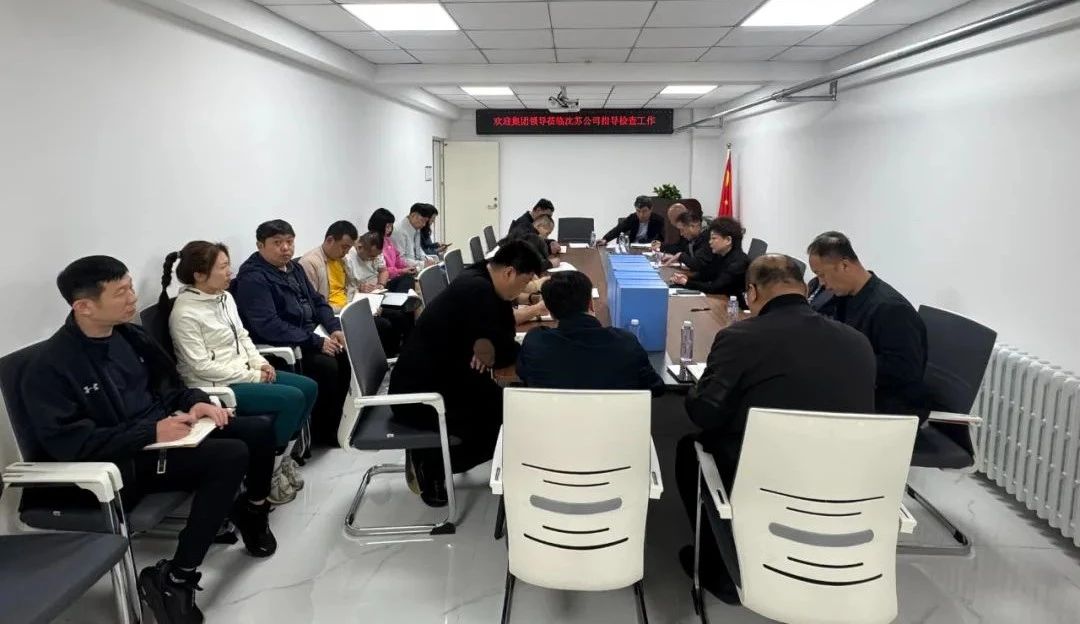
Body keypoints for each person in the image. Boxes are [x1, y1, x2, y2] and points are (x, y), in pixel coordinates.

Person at [23, 256, 278, 624]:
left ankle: (252, 511)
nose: (132, 298)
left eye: (130, 287)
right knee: (229, 455)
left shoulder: (130, 336)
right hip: (120, 461)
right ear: (84, 306)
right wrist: (152, 432)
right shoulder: (51, 366)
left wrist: (196, 402)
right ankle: (176, 577)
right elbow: (71, 444)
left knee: (258, 430)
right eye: (121, 292)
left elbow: (169, 385)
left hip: (164, 433)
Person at [675, 254, 877, 604]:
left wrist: (696, 389)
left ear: (752, 292)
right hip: (843, 477)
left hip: (763, 474)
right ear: (804, 289)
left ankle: (722, 571)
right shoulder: (857, 340)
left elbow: (705, 414)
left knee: (688, 450)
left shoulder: (739, 337)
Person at [388, 241, 545, 507]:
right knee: (504, 423)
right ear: (509, 272)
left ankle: (433, 456)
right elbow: (503, 352)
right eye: (524, 282)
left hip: (446, 377)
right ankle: (430, 465)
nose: (522, 290)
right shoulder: (477, 290)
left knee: (508, 408)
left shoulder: (482, 276)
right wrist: (491, 347)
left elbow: (501, 335)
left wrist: (488, 345)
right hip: (421, 396)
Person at [163, 241, 318, 505]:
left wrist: (260, 364)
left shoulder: (224, 297)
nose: (230, 272)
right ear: (199, 275)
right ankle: (270, 473)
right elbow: (201, 366)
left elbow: (243, 337)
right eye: (223, 267)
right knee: (291, 398)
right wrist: (252, 376)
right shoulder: (185, 314)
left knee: (308, 387)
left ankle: (282, 460)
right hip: (217, 385)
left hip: (244, 372)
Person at [233, 220, 352, 446]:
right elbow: (269, 325)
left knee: (345, 352)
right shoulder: (253, 278)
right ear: (260, 245)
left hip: (307, 333)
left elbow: (317, 301)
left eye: (289, 242)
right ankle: (321, 432)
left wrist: (334, 328)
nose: (286, 248)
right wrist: (316, 341)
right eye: (277, 243)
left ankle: (338, 422)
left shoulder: (294, 268)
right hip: (283, 344)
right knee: (326, 365)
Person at [807, 231, 929, 419]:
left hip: (888, 410)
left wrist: (844, 360)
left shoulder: (891, 309)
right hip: (859, 393)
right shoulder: (845, 297)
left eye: (822, 275)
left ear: (844, 265)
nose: (822, 284)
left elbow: (904, 370)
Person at [517, 270, 664, 395]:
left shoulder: (536, 343)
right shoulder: (626, 343)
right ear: (591, 304)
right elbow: (655, 387)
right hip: (613, 420)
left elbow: (523, 374)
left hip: (553, 419)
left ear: (550, 311)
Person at [343, 232, 410, 356]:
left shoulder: (375, 252)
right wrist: (360, 288)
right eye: (371, 256)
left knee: (407, 281)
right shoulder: (348, 258)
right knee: (394, 317)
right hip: (362, 295)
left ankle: (405, 347)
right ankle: (390, 353)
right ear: (360, 247)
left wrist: (381, 284)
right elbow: (348, 288)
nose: (374, 259)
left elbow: (383, 271)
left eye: (376, 256)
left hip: (378, 290)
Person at [670, 217, 749, 299]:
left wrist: (686, 282)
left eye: (714, 238)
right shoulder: (721, 256)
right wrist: (687, 277)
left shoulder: (738, 262)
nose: (710, 242)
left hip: (733, 304)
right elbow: (706, 274)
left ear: (728, 240)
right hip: (720, 299)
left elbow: (714, 287)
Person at [298, 220, 359, 313]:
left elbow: (351, 285)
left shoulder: (342, 260)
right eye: (344, 247)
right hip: (331, 312)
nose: (346, 252)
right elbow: (312, 302)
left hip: (348, 306)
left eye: (349, 248)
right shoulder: (309, 262)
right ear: (330, 240)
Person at [368, 207, 417, 292]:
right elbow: (381, 269)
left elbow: (397, 259)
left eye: (391, 226)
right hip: (382, 280)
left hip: (394, 276)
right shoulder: (372, 243)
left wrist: (408, 267)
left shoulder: (387, 240)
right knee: (407, 280)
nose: (390, 229)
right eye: (387, 227)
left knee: (410, 278)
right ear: (379, 225)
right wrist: (402, 271)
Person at [598, 195, 665, 246]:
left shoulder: (658, 220)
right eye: (638, 211)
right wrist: (605, 239)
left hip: (649, 249)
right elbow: (618, 229)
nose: (641, 215)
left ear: (651, 209)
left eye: (644, 211)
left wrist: (657, 243)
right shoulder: (633, 218)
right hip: (632, 248)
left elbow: (661, 238)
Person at [391, 203, 439, 270]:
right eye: (422, 220)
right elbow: (400, 260)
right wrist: (423, 264)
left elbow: (419, 252)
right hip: (405, 271)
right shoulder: (399, 231)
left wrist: (428, 259)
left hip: (416, 267)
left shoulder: (416, 228)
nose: (424, 225)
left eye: (426, 221)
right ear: (413, 215)